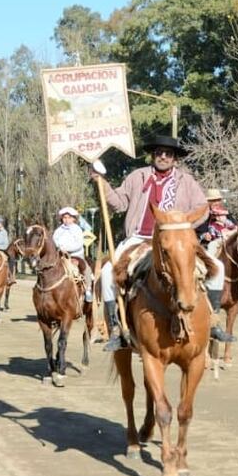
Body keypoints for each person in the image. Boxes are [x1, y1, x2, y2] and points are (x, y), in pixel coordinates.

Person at [90, 135, 213, 351]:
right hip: (139, 239)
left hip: (175, 240)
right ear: (153, 155)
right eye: (159, 153)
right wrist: (102, 183)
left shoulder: (187, 181)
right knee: (109, 272)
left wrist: (182, 225)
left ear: (175, 159)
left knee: (217, 269)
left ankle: (213, 320)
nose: (163, 157)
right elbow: (118, 203)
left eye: (168, 154)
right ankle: (116, 328)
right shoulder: (137, 177)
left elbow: (202, 207)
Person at [52, 206, 94, 303]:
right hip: (60, 255)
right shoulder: (58, 230)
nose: (66, 220)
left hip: (76, 255)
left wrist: (66, 249)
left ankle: (88, 290)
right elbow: (54, 241)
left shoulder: (77, 229)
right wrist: (60, 248)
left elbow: (79, 244)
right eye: (64, 218)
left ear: (73, 219)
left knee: (86, 269)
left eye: (69, 218)